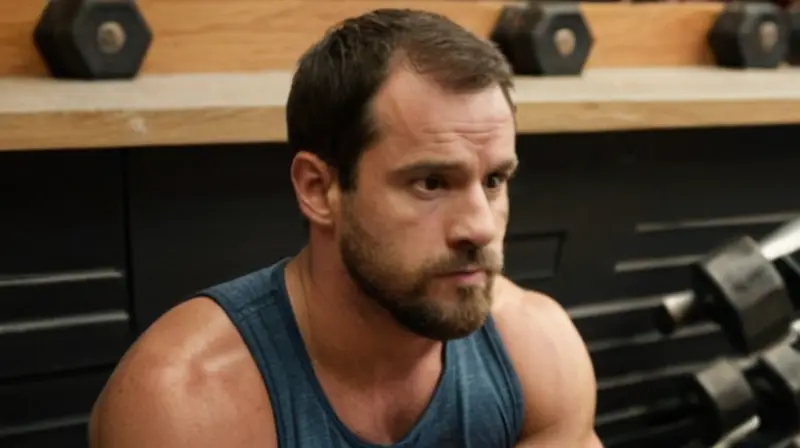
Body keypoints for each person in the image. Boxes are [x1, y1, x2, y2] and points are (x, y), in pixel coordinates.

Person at [88, 8, 601, 448]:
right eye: (429, 182)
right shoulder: (188, 404)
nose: (480, 227)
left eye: (493, 180)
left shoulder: (537, 350)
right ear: (318, 189)